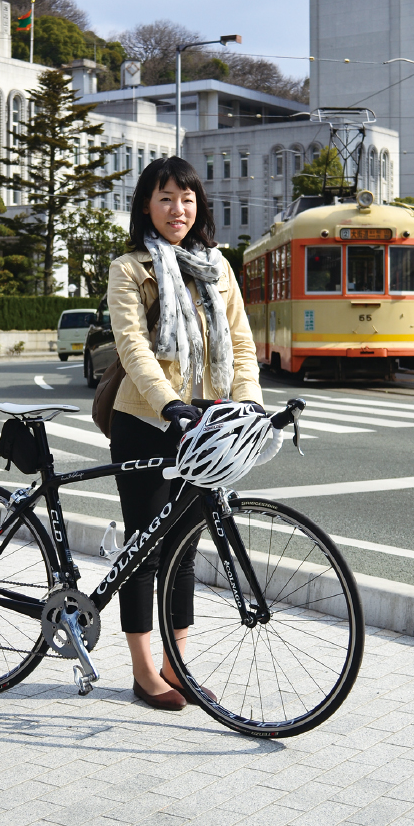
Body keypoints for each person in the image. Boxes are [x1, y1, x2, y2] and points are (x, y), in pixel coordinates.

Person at [107, 156, 264, 710]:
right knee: (144, 550)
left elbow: (241, 344)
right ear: (147, 206)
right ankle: (145, 671)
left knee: (184, 550)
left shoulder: (218, 269)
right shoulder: (131, 268)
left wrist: (246, 407)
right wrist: (170, 403)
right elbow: (133, 347)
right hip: (147, 421)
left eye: (187, 198)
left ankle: (179, 664)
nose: (179, 209)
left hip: (206, 428)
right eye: (166, 197)